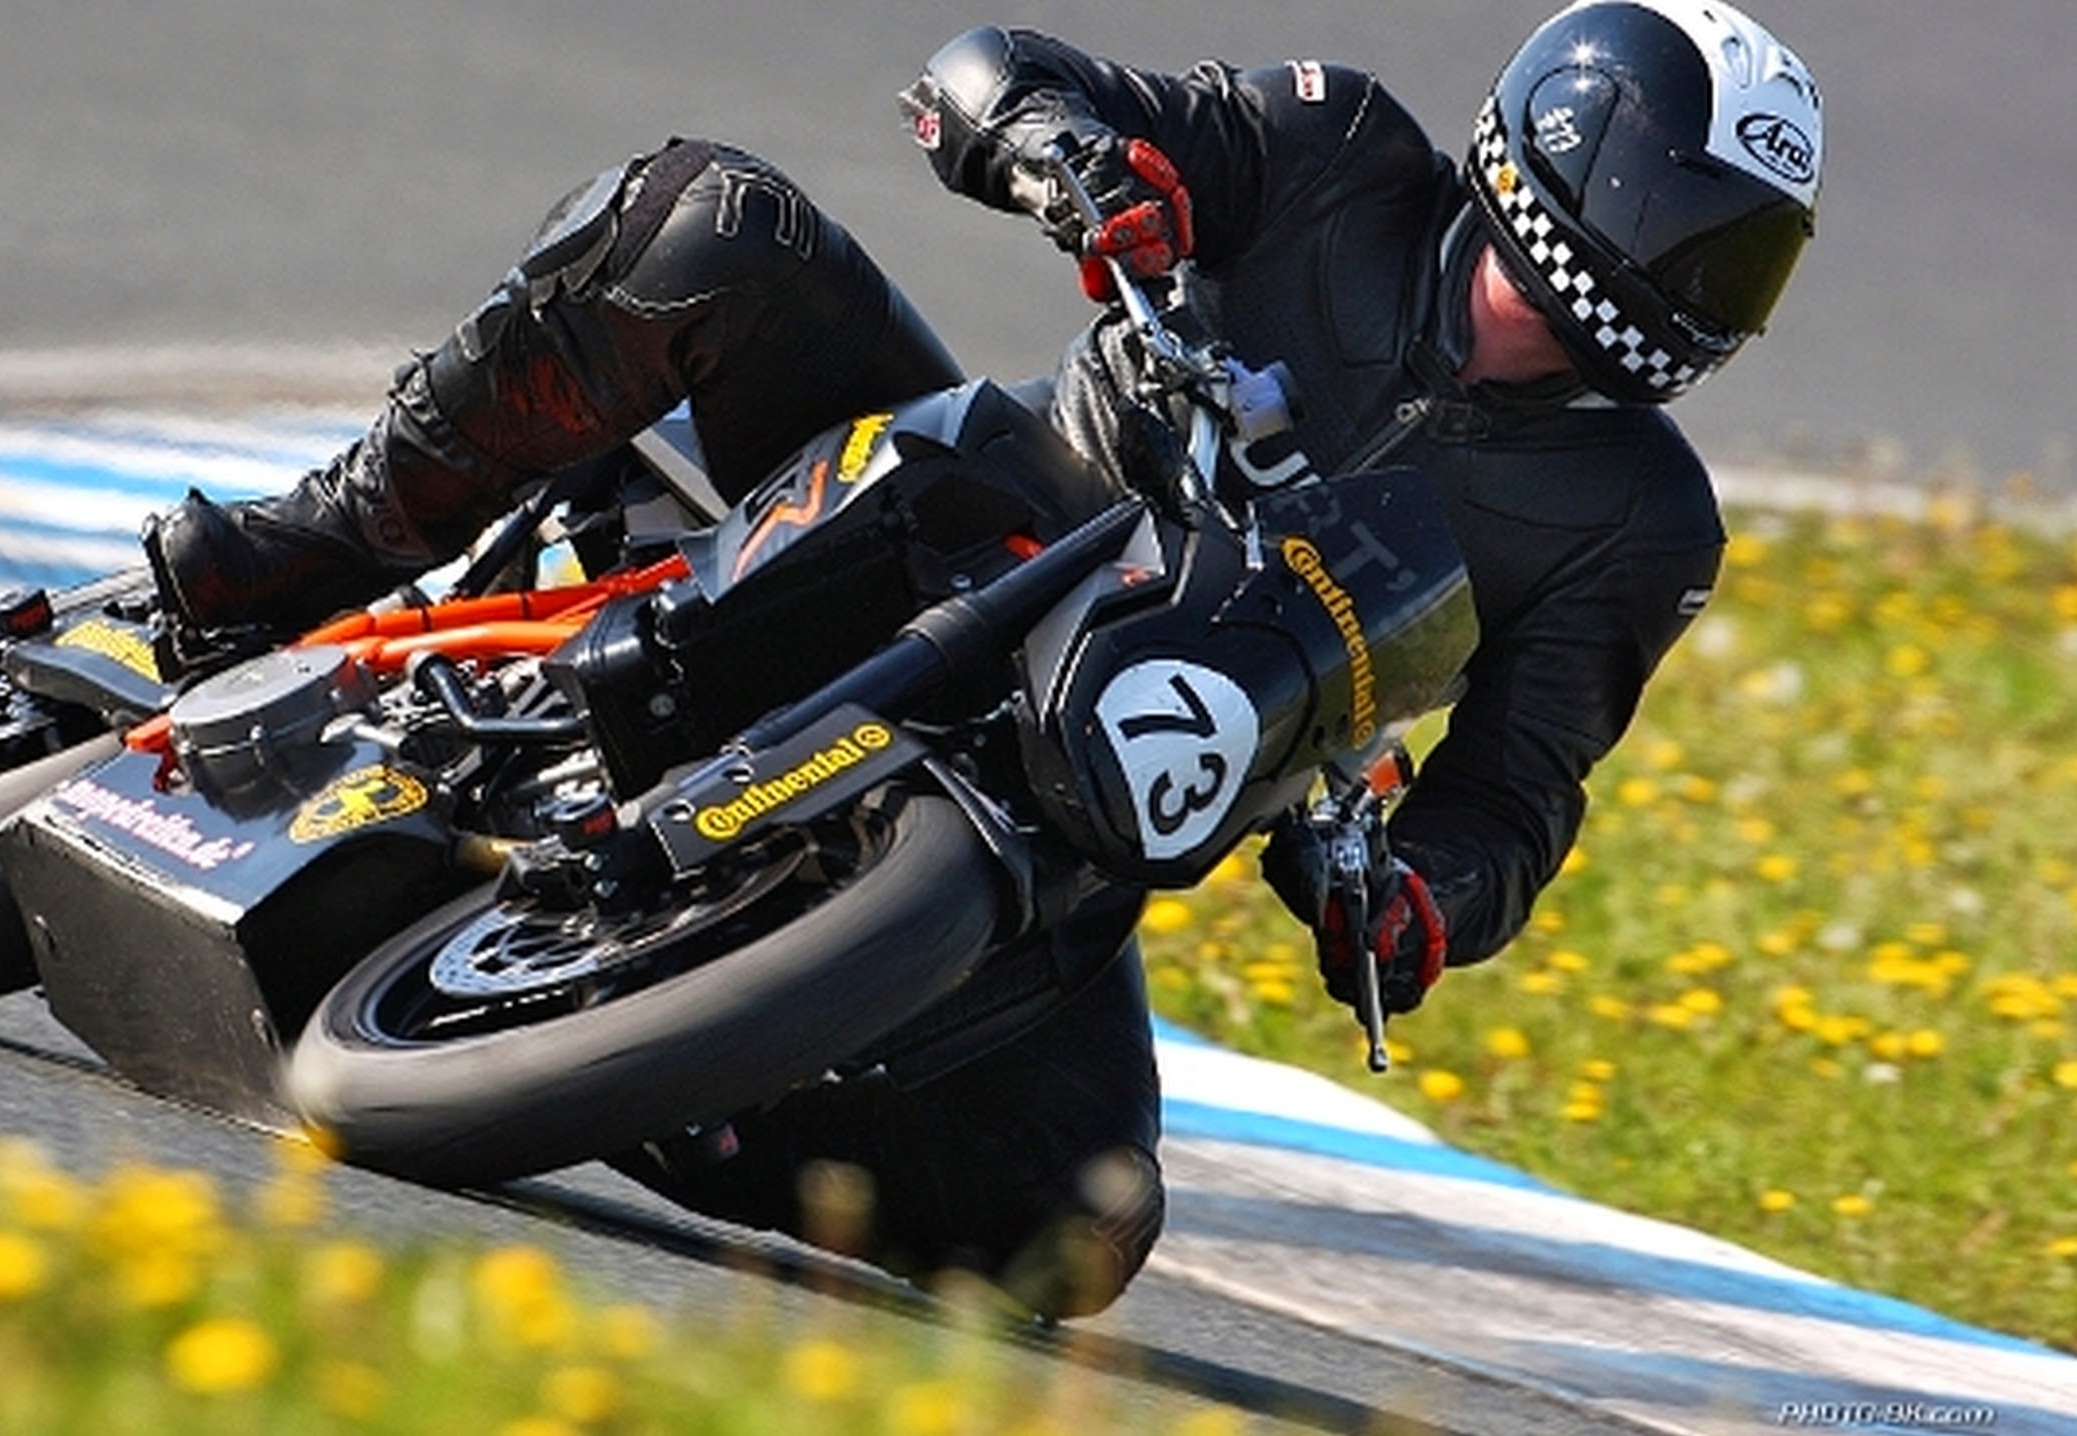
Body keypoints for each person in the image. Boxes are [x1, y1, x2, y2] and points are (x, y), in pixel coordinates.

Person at [146, 1, 1822, 1317]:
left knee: (1077, 1229)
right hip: (961, 505)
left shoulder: (1641, 524)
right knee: (709, 221)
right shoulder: (1339, 149)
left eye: (1737, 257)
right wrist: (1067, 154)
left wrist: (1418, 901)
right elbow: (995, 68)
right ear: (1576, 145)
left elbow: (1517, 795)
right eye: (1687, 222)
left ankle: (649, 1071)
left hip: (1097, 788)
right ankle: (314, 546)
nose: (1691, 277)